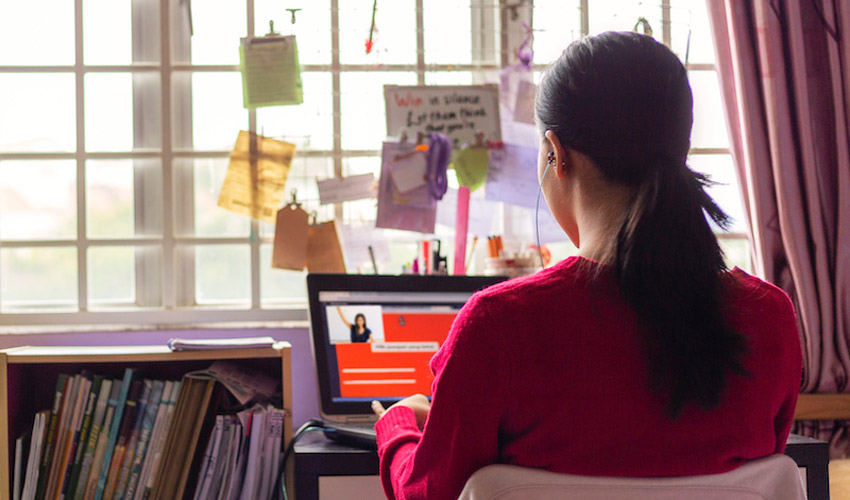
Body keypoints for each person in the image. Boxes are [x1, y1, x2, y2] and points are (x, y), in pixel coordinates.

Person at [371, 31, 802, 500]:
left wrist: (396, 426)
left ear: (556, 155)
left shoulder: (499, 326)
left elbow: (427, 493)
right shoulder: (769, 318)